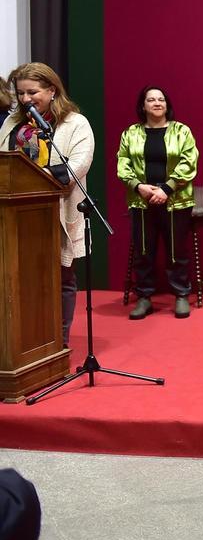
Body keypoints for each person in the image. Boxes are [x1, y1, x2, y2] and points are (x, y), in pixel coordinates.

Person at [1, 63, 95, 349]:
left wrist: (47, 175)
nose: (26, 99)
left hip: (56, 212)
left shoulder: (75, 123)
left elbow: (78, 164)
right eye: (20, 93)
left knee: (60, 277)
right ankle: (23, 343)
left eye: (33, 92)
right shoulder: (11, 123)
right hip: (13, 217)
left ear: (52, 90)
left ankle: (58, 342)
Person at [116, 86, 199, 320]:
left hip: (175, 200)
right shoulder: (130, 133)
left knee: (176, 251)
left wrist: (166, 189)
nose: (156, 103)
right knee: (144, 251)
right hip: (141, 201)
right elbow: (123, 163)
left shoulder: (182, 131)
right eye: (150, 99)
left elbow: (189, 163)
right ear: (143, 106)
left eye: (161, 99)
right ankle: (144, 297)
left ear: (167, 104)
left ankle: (181, 295)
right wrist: (138, 186)